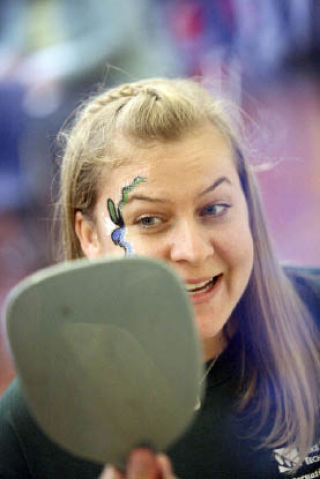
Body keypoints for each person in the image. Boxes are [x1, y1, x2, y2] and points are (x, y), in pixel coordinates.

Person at [0, 77, 319, 479]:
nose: (193, 249)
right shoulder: (29, 428)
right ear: (90, 237)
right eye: (149, 220)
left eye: (214, 208)